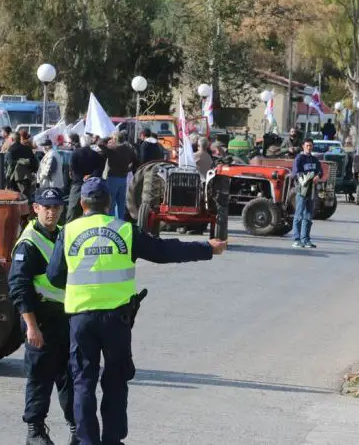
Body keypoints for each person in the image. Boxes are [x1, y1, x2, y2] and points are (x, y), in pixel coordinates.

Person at [46, 177, 227, 445]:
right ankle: (112, 439)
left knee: (83, 382)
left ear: (83, 203)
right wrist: (206, 248)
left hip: (82, 318)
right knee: (116, 380)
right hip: (116, 320)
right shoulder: (125, 231)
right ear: (109, 203)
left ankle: (87, 440)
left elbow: (54, 275)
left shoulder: (69, 232)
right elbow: (163, 251)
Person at [8, 188, 77, 445]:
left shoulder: (62, 234)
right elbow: (19, 286)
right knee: (40, 377)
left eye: (56, 207)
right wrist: (31, 326)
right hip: (41, 321)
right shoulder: (28, 242)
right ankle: (35, 431)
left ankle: (76, 427)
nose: (52, 212)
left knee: (70, 377)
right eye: (47, 207)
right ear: (36, 208)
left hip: (66, 319)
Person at [291, 138, 323, 248]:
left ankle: (306, 239)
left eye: (311, 145)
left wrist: (318, 176)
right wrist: (303, 179)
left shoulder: (314, 159)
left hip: (312, 191)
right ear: (303, 146)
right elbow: (296, 172)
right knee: (299, 215)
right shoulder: (299, 158)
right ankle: (296, 239)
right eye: (307, 145)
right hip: (302, 190)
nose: (309, 147)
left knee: (308, 216)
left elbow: (320, 171)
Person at [67, 140, 104, 223]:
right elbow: (99, 169)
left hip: (77, 183)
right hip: (91, 184)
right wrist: (90, 176)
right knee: (91, 207)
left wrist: (81, 178)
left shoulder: (75, 153)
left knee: (73, 208)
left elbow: (73, 167)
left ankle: (69, 225)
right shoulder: (95, 154)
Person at [105, 130, 137, 218]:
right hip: (123, 177)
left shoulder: (112, 149)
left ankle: (111, 220)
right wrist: (129, 168)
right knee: (121, 202)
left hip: (113, 177)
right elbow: (135, 160)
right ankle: (121, 220)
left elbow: (101, 146)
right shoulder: (128, 149)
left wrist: (107, 139)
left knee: (111, 202)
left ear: (115, 139)